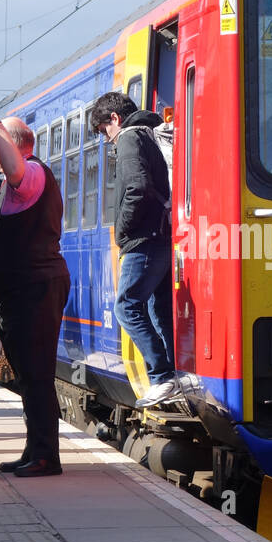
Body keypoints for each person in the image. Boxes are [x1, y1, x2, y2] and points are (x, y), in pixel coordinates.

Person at [0, 107, 69, 477]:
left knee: (37, 372)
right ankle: (34, 450)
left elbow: (13, 167)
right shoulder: (16, 184)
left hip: (37, 287)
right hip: (21, 290)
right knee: (27, 373)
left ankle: (46, 456)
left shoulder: (31, 173)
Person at [88, 91, 176, 407]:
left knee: (126, 306)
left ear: (114, 118)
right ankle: (174, 375)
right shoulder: (150, 133)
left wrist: (123, 230)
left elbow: (137, 187)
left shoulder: (128, 137)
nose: (106, 139)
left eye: (103, 130)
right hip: (163, 235)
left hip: (144, 238)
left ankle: (162, 376)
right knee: (157, 307)